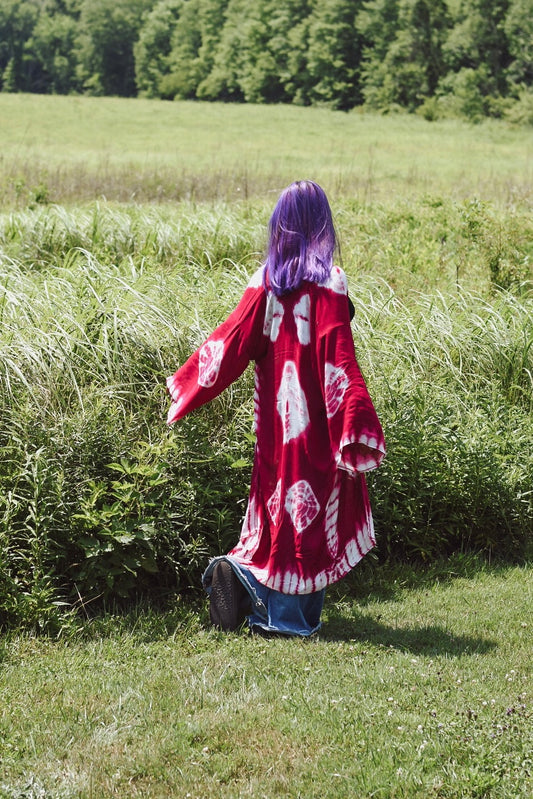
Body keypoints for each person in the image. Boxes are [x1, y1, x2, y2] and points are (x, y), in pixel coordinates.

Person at [166, 180, 385, 637]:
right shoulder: (330, 283)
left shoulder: (264, 283)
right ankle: (285, 620)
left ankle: (241, 578)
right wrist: (355, 418)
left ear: (280, 226)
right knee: (311, 518)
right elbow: (339, 356)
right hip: (317, 429)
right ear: (321, 224)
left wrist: (187, 384)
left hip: (274, 429)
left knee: (274, 516)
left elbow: (228, 345)